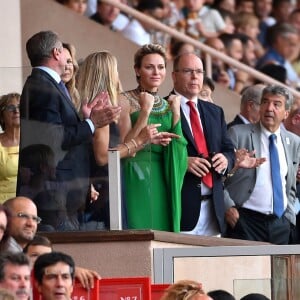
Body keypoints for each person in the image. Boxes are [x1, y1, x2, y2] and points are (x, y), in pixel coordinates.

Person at [17, 30, 121, 231]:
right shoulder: (42, 86)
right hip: (55, 195)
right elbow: (53, 139)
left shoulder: (47, 84)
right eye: (65, 53)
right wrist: (92, 124)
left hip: (65, 194)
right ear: (57, 53)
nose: (69, 59)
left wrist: (86, 117)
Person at [76, 51, 162, 229]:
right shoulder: (101, 108)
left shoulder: (93, 104)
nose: (118, 75)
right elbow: (101, 156)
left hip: (107, 184)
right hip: (105, 189)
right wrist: (138, 141)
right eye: (115, 70)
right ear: (107, 73)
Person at [119, 44, 188, 232]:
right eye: (149, 67)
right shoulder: (124, 100)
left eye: (161, 67)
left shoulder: (169, 104)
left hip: (164, 176)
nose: (156, 72)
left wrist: (176, 115)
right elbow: (125, 147)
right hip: (135, 174)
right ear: (137, 70)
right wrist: (144, 112)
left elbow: (179, 151)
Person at [224, 85, 300, 244]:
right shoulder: (238, 133)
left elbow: (290, 184)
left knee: (276, 269)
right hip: (244, 221)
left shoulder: (293, 142)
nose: (269, 108)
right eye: (265, 102)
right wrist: (227, 207)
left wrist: (289, 217)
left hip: (280, 223)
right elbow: (219, 177)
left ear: (286, 113)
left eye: (276, 104)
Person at [170, 52, 235, 236]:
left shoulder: (215, 112)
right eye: (188, 71)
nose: (194, 76)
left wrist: (226, 160)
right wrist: (183, 162)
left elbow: (228, 149)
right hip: (181, 210)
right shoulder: (163, 108)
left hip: (214, 211)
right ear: (174, 76)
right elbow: (158, 152)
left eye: (199, 72)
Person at [3, 197, 100, 289]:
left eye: (35, 219)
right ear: (5, 218)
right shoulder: (5, 251)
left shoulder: (17, 250)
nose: (30, 223)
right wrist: (65, 271)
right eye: (23, 216)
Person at [0, 93, 20, 203]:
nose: (16, 111)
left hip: (27, 206)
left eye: (20, 107)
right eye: (11, 107)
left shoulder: (33, 142)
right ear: (2, 116)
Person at [62, 43, 81, 112]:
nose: (67, 67)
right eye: (62, 62)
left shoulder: (75, 94)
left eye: (69, 61)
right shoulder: (48, 90)